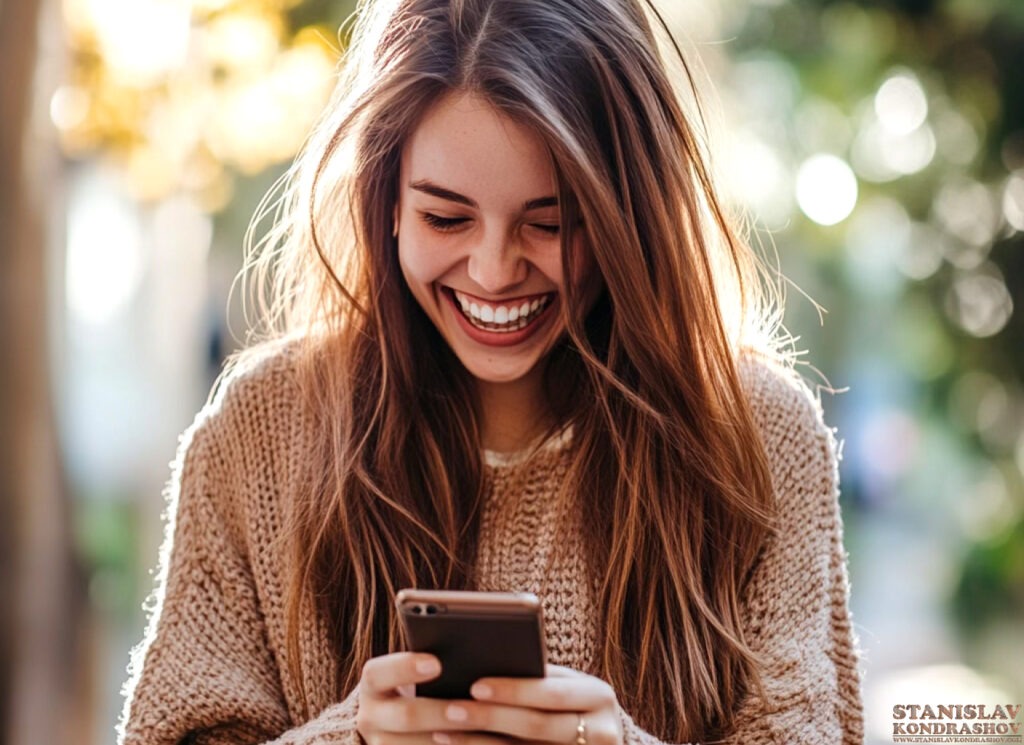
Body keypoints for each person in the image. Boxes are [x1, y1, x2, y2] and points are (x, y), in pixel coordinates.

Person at [118, 0, 864, 743]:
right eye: (447, 218)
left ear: (627, 214)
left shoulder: (759, 439)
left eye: (552, 223)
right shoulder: (256, 439)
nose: (494, 271)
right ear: (387, 203)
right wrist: (358, 737)